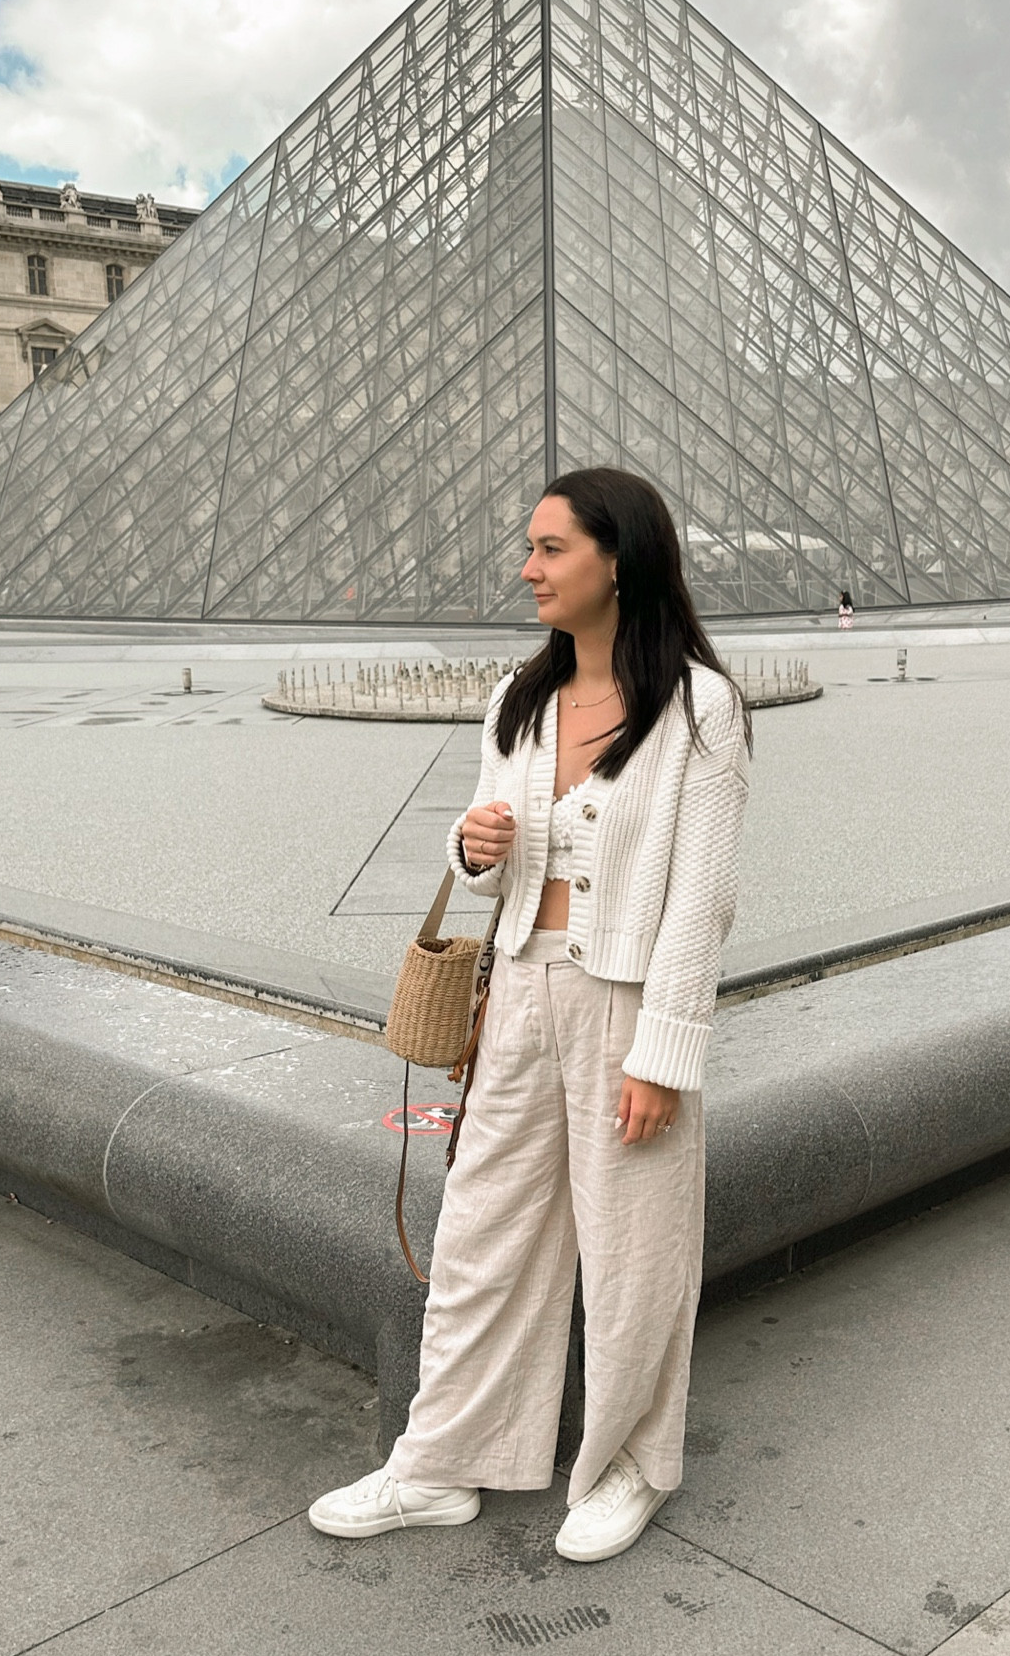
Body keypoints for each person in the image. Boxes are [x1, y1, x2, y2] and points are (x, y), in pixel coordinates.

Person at [309, 467, 752, 1564]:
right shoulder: (523, 698)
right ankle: (441, 1461)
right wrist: (473, 847)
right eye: (532, 545)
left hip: (624, 1007)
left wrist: (664, 1054)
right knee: (477, 1236)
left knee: (633, 1249)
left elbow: (703, 897)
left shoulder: (701, 708)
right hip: (517, 989)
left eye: (551, 547)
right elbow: (479, 842)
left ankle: (626, 1465)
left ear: (620, 558)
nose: (528, 567)